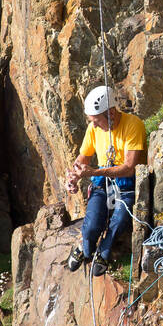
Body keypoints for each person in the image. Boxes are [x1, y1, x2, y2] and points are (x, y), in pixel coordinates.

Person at [65, 85, 147, 275]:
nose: (93, 125)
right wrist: (73, 176)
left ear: (110, 113)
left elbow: (129, 168)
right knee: (91, 228)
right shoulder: (94, 129)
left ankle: (105, 250)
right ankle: (83, 245)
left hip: (126, 185)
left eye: (96, 120)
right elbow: (82, 159)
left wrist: (93, 172)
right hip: (103, 183)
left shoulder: (133, 125)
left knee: (119, 222)